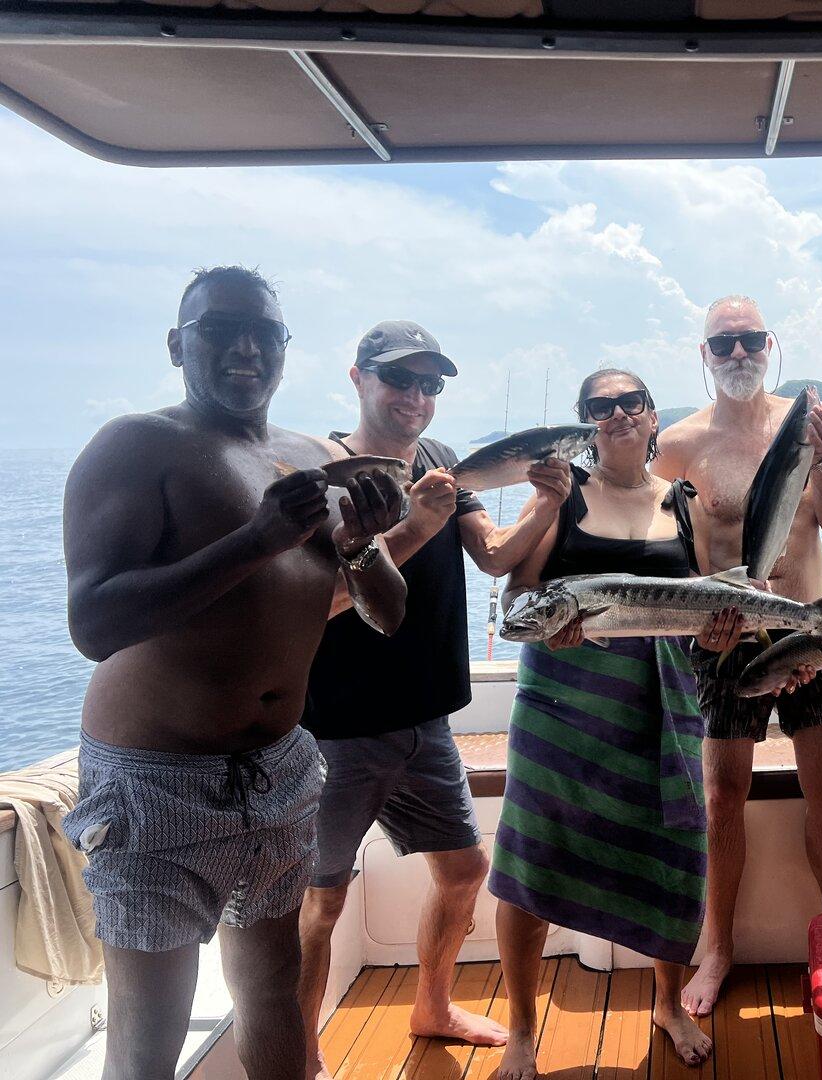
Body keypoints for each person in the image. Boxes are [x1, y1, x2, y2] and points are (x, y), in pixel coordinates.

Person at [60, 266, 407, 1080]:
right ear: (179, 343)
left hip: (279, 771)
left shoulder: (318, 459)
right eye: (219, 328)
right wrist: (253, 542)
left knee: (275, 992)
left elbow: (386, 614)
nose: (245, 346)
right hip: (157, 784)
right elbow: (94, 624)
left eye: (265, 332)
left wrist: (362, 543)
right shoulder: (138, 446)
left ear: (285, 349)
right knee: (151, 1039)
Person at [298, 321, 571, 1078]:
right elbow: (320, 601)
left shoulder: (444, 462)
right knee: (317, 906)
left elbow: (491, 556)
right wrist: (419, 523)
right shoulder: (324, 473)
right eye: (399, 379)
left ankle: (433, 1006)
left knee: (462, 874)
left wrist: (545, 506)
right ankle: (302, 1054)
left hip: (425, 721)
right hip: (336, 731)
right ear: (357, 378)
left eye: (430, 384)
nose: (416, 396)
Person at [490, 370, 716, 1080]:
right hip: (562, 706)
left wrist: (725, 635)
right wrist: (548, 617)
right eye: (600, 406)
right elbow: (516, 593)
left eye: (631, 402)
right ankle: (523, 1030)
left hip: (664, 705)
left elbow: (711, 611)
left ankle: (669, 1005)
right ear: (586, 423)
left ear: (653, 417)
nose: (617, 413)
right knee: (532, 861)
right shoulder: (563, 495)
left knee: (673, 861)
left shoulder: (685, 505)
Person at [652, 294, 822, 1017]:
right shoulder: (678, 445)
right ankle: (718, 948)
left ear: (772, 344)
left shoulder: (805, 422)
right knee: (721, 795)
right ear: (703, 355)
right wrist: (689, 629)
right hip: (726, 642)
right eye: (723, 343)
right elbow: (666, 556)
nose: (738, 353)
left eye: (749, 339)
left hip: (807, 630)